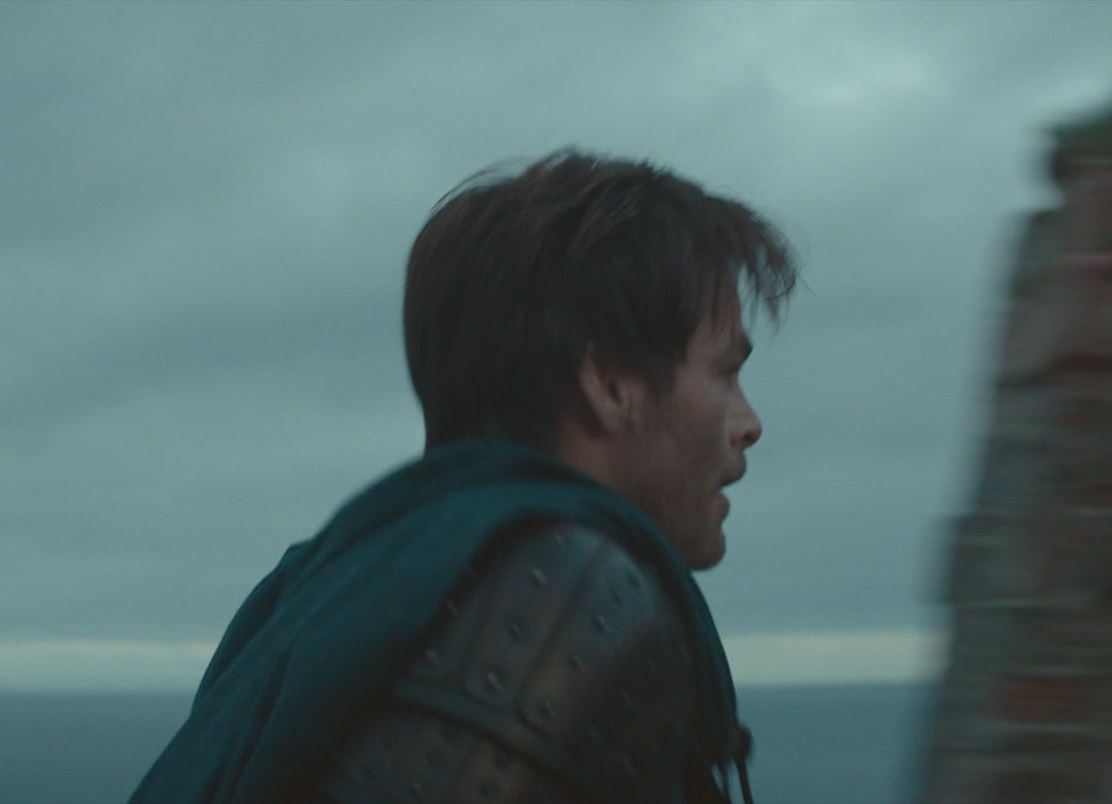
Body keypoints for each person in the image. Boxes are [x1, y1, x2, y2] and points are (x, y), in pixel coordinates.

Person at [129, 148, 797, 804]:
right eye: (726, 373)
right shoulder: (566, 595)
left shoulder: (335, 592)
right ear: (611, 383)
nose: (750, 424)